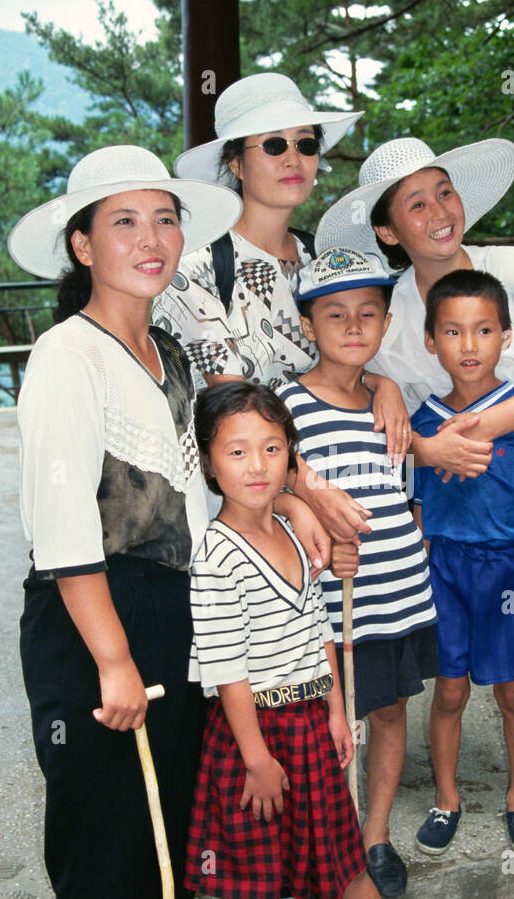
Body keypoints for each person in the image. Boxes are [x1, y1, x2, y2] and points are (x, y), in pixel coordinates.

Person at [9, 144, 243, 899]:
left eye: (164, 219)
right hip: (93, 615)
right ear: (82, 243)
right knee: (104, 823)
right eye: (123, 222)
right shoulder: (66, 355)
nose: (152, 240)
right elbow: (64, 525)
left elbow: (198, 487)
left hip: (176, 607)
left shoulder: (169, 349)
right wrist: (112, 659)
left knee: (176, 808)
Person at [316, 137, 514, 844]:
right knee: (456, 667)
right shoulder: (388, 312)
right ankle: (458, 790)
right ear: (388, 230)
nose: (440, 211)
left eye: (444, 191)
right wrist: (417, 430)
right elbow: (364, 384)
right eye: (416, 203)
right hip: (447, 506)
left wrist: (476, 430)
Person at [184, 381, 460, 899]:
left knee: (342, 857)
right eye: (239, 451)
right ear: (208, 463)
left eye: (273, 449)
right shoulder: (216, 556)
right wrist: (255, 758)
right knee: (254, 871)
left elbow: (319, 626)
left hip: (310, 722)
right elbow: (228, 671)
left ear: (290, 458)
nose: (257, 466)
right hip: (253, 738)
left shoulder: (288, 526)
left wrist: (337, 708)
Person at [155, 73, 412, 561]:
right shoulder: (196, 271)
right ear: (235, 162)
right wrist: (302, 495)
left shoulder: (323, 262)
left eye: (306, 145)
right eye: (274, 145)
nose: (294, 159)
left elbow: (344, 361)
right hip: (237, 512)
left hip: (321, 500)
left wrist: (384, 384)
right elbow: (235, 408)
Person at [274, 248, 439, 898]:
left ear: (386, 323)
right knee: (325, 721)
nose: (351, 326)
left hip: (395, 590)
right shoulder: (286, 402)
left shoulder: (392, 401)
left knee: (391, 712)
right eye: (334, 314)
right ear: (308, 327)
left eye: (367, 313)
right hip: (328, 598)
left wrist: (392, 388)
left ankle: (375, 834)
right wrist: (317, 521)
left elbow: (414, 486)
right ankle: (327, 830)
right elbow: (274, 480)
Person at [411, 269, 514, 853]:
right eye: (452, 331)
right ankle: (446, 798)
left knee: (513, 693)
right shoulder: (423, 421)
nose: (468, 345)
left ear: (506, 336)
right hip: (447, 569)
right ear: (431, 340)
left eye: (483, 330)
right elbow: (423, 505)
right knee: (449, 692)